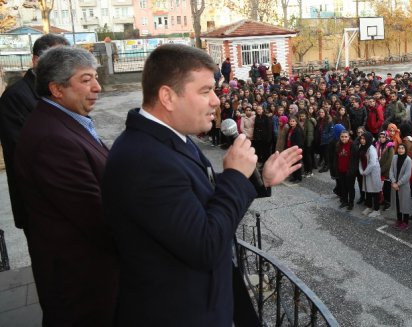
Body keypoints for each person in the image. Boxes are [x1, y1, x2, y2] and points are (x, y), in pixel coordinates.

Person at [102, 44, 302, 326]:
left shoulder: (170, 139)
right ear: (168, 97)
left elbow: (193, 193)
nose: (217, 102)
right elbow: (204, 244)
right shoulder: (144, 159)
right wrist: (234, 176)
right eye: (206, 91)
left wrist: (259, 179)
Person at [13, 46, 117, 325]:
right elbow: (95, 217)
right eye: (86, 80)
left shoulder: (64, 122)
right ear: (57, 89)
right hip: (83, 288)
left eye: (95, 77)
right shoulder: (53, 140)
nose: (97, 87)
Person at [0, 33, 69, 231]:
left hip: (63, 199)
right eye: (56, 59)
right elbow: (21, 153)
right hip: (38, 204)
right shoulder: (15, 97)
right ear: (36, 60)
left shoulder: (60, 91)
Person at [359, 132, 383, 218]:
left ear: (368, 139)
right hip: (366, 171)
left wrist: (365, 172)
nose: (362, 140)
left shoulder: (371, 149)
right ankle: (369, 206)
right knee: (367, 190)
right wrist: (361, 170)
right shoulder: (362, 147)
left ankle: (376, 210)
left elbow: (372, 163)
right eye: (361, 138)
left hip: (372, 172)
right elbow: (360, 160)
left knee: (375, 191)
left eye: (364, 139)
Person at [390, 143, 412, 230]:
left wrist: (397, 183)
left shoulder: (408, 160)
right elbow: (391, 170)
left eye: (403, 148)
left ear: (405, 150)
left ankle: (406, 222)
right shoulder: (394, 157)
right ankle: (399, 220)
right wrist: (393, 181)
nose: (400, 150)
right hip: (395, 184)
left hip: (403, 186)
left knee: (405, 204)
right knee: (398, 203)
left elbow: (407, 175)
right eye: (399, 148)